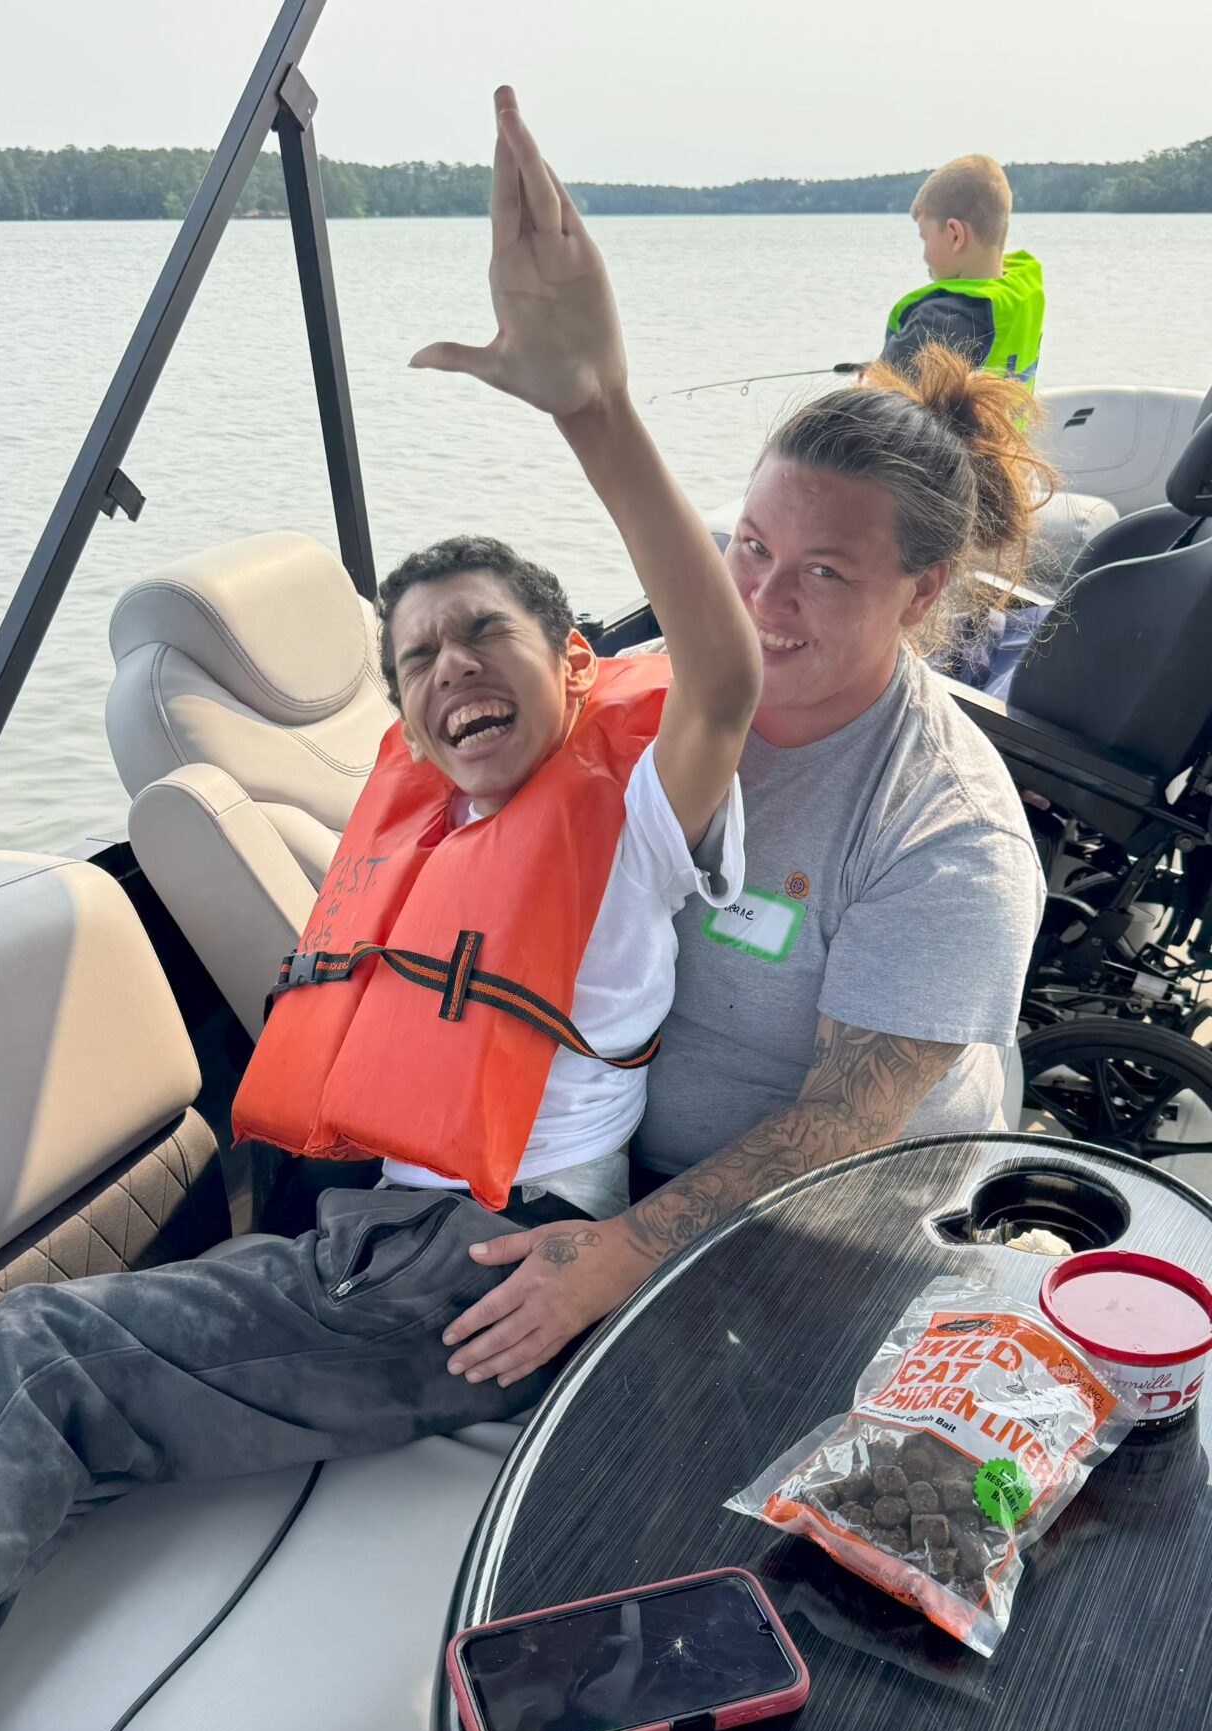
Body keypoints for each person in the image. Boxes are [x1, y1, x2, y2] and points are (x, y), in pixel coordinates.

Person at [0, 86, 761, 1731]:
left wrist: (589, 397)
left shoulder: (634, 817)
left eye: (486, 632)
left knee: (26, 1361)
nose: (446, 671)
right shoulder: (424, 821)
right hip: (369, 1252)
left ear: (571, 660)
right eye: (415, 657)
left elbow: (722, 660)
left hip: (472, 1271)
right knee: (51, 1375)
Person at [437, 344, 1051, 1390]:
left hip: (827, 1238)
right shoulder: (658, 707)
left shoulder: (948, 832)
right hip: (592, 1155)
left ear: (919, 592)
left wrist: (622, 1252)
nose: (764, 597)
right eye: (752, 546)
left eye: (824, 571)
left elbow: (846, 1125)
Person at [881, 154, 1045, 389]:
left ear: (955, 234)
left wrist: (871, 379)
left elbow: (878, 409)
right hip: (1012, 426)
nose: (924, 256)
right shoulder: (1023, 288)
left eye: (925, 238)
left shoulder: (938, 322)